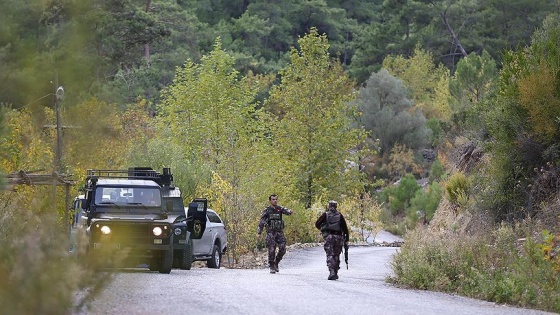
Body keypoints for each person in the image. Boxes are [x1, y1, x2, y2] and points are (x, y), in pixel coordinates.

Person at [257, 194, 293, 274]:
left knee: (283, 249)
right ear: (270, 201)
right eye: (273, 199)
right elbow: (262, 221)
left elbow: (287, 211)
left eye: (276, 199)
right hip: (270, 233)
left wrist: (290, 211)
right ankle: (272, 266)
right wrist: (259, 232)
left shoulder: (280, 209)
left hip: (279, 232)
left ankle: (276, 262)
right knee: (271, 250)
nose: (275, 200)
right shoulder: (267, 210)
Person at [315, 200, 349, 280]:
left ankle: (332, 272)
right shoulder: (340, 215)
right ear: (336, 206)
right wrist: (346, 240)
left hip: (329, 237)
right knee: (336, 255)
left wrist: (323, 229)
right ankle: (335, 272)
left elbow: (317, 224)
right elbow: (345, 229)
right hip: (339, 237)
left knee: (330, 254)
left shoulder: (325, 215)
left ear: (329, 206)